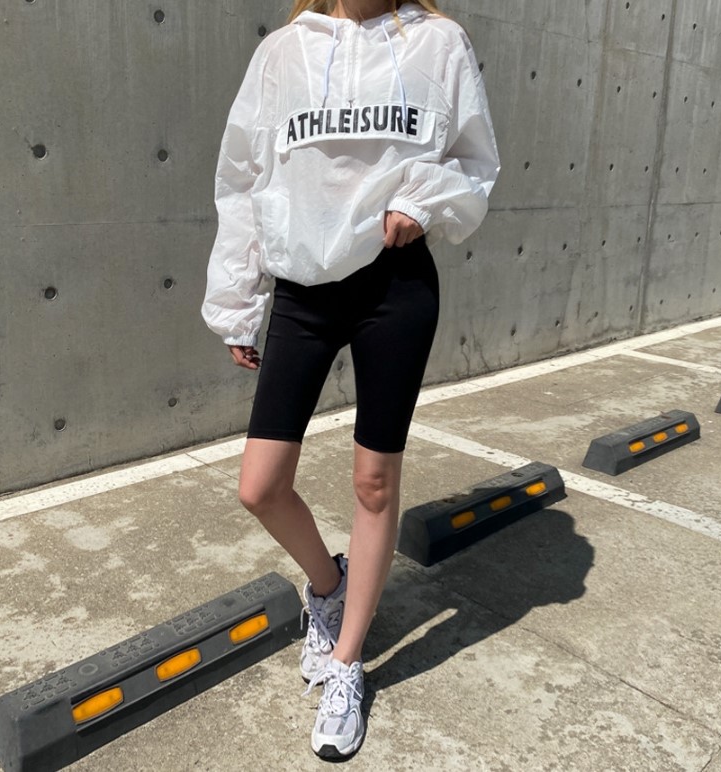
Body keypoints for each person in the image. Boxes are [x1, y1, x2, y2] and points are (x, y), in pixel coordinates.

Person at [202, 0, 499, 759]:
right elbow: (244, 177)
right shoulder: (283, 53)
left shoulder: (438, 42)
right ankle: (329, 587)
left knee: (373, 482)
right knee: (260, 485)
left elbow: (473, 159)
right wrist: (238, 301)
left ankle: (346, 663)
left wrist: (421, 201)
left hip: (394, 285)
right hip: (303, 289)